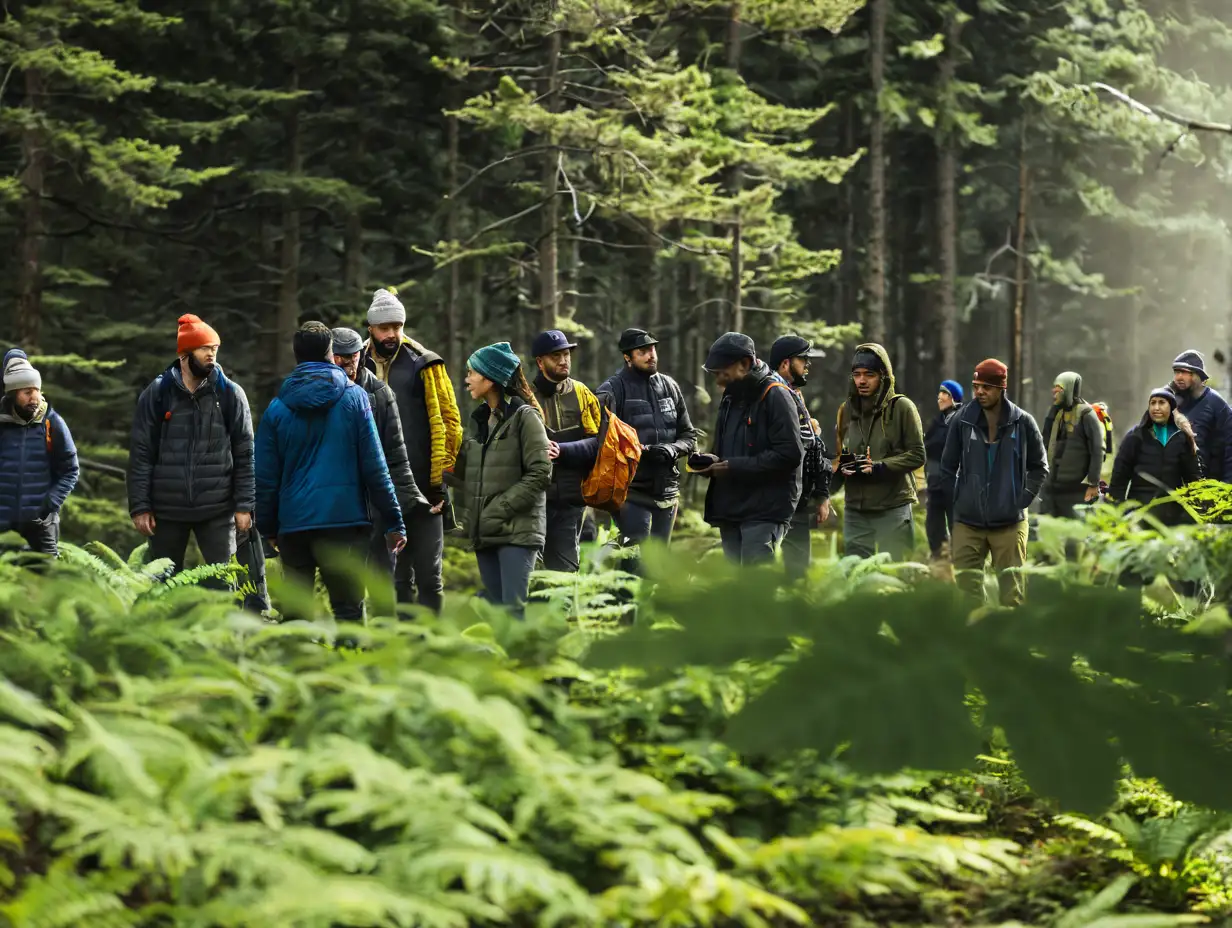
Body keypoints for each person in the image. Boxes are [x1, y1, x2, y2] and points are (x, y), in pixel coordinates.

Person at [255, 322, 405, 621]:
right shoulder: (355, 398)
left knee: (297, 616)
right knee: (348, 613)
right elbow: (375, 466)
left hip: (294, 525)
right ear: (329, 353)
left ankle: (298, 667)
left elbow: (265, 477)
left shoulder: (276, 409)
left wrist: (269, 527)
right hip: (345, 524)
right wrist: (393, 520)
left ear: (296, 356)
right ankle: (348, 668)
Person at [127, 314, 257, 578]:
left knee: (222, 584)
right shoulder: (157, 393)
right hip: (166, 511)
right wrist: (140, 506)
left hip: (217, 509)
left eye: (215, 349)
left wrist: (244, 505)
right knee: (163, 589)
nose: (212, 355)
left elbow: (245, 454)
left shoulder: (230, 394)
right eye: (205, 349)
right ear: (185, 353)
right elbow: (141, 453)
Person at [360, 287, 463, 612]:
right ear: (371, 329)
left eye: (397, 327)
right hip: (377, 490)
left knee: (430, 575)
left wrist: (440, 482)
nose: (392, 334)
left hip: (425, 486)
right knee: (394, 578)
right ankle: (400, 648)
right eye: (385, 328)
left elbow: (450, 422)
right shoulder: (355, 364)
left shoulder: (424, 362)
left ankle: (432, 648)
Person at [450, 342, 551, 611]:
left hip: (518, 533)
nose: (467, 379)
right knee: (496, 614)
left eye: (471, 373)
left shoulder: (525, 417)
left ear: (490, 378)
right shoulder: (480, 421)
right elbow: (468, 476)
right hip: (486, 534)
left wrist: (498, 510)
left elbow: (541, 472)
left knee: (513, 611)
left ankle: (523, 655)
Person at [939, 359, 1047, 607]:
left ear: (1001, 388)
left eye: (987, 387)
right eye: (976, 385)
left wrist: (1020, 500)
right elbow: (947, 468)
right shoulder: (962, 420)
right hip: (967, 522)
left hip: (1010, 523)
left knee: (1013, 594)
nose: (979, 392)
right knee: (967, 593)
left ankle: (1011, 645)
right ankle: (976, 643)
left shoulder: (1023, 422)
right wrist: (955, 505)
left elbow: (1039, 467)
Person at [331, 327, 428, 593]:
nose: (345, 364)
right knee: (344, 585)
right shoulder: (321, 393)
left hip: (375, 502)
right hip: (335, 502)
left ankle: (384, 632)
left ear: (360, 354)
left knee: (383, 581)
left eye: (351, 357)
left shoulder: (381, 393)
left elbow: (396, 453)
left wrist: (405, 505)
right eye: (338, 357)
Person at [694, 333, 804, 565]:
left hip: (766, 509)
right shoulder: (730, 398)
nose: (718, 382)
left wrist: (733, 467)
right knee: (736, 586)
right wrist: (713, 461)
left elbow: (790, 454)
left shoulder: (776, 395)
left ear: (744, 364)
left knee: (756, 583)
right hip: (732, 508)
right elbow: (727, 447)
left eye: (722, 374)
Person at [595, 328, 697, 546]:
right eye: (643, 351)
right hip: (630, 493)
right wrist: (639, 450)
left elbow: (689, 435)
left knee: (659, 564)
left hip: (668, 491)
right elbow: (600, 444)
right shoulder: (611, 390)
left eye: (653, 349)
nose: (652, 355)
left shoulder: (670, 386)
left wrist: (673, 449)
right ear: (627, 357)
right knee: (635, 559)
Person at [832, 343, 925, 560]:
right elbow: (840, 452)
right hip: (855, 510)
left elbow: (918, 454)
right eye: (857, 375)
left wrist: (879, 467)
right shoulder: (846, 410)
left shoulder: (902, 408)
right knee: (855, 576)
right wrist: (842, 467)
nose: (862, 381)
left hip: (892, 508)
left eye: (869, 375)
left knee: (894, 579)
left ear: (883, 376)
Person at [530, 329, 602, 572]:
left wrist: (562, 450)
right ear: (540, 362)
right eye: (556, 356)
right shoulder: (525, 396)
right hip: (534, 501)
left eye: (566, 354)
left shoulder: (582, 393)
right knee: (534, 576)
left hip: (572, 501)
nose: (564, 360)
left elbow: (597, 442)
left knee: (566, 575)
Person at [0, 350, 79, 556]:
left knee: (43, 585)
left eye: (36, 390)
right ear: (12, 393)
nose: (34, 398)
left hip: (42, 526)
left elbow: (71, 469)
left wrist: (49, 505)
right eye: (27, 392)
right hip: (3, 526)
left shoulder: (52, 423)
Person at [768, 335, 832, 581]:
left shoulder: (793, 393)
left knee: (798, 572)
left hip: (798, 497)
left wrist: (821, 493)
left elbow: (813, 448)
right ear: (786, 363)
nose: (807, 365)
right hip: (780, 497)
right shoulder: (774, 394)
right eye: (803, 359)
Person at [1107, 387, 1201, 525]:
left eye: (1162, 402)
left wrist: (1195, 513)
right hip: (1139, 513)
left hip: (1173, 515)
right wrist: (1117, 512)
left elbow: (1193, 480)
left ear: (1171, 407)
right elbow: (1119, 479)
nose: (1156, 407)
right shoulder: (1136, 436)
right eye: (1153, 403)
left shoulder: (1181, 438)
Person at [1038, 371, 1104, 519]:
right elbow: (1045, 443)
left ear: (1068, 389)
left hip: (1077, 489)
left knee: (1074, 535)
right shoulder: (1055, 413)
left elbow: (1097, 450)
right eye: (1053, 391)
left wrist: (1093, 483)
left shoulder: (1087, 414)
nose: (1054, 395)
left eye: (1058, 391)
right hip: (1052, 487)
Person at [1169, 349, 1232, 482]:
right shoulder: (1170, 405)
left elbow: (1229, 449)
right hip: (1177, 490)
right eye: (1176, 372)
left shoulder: (1216, 404)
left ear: (1198, 375)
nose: (1178, 377)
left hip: (1211, 488)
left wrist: (1227, 487)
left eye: (1184, 372)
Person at [924, 380, 963, 560]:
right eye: (940, 393)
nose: (940, 397)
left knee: (957, 522)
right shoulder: (937, 422)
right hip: (935, 482)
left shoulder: (962, 421)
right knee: (933, 522)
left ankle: (962, 560)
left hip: (955, 483)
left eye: (945, 393)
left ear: (954, 398)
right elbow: (927, 447)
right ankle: (938, 555)